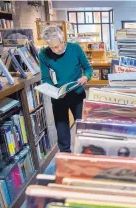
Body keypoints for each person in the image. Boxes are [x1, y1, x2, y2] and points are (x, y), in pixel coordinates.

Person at [39, 25, 92, 153]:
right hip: (59, 96)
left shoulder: (75, 48)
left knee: (82, 127)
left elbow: (88, 68)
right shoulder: (43, 54)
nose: (57, 50)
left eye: (58, 45)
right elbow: (45, 78)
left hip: (77, 94)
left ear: (63, 39)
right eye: (52, 47)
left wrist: (86, 77)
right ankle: (65, 155)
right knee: (61, 128)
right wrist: (53, 91)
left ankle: (85, 152)